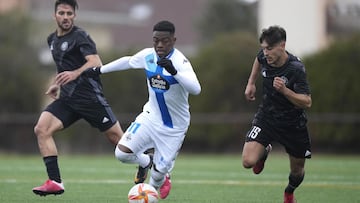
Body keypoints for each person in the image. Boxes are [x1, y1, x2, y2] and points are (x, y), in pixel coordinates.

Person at [88, 20, 201, 199]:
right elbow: (128, 61)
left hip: (174, 128)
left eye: (165, 40)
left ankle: (158, 181)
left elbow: (196, 89)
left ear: (174, 40)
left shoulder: (180, 62)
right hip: (150, 118)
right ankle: (146, 161)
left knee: (158, 175)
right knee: (121, 153)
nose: (160, 45)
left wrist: (175, 73)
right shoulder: (148, 56)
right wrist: (100, 70)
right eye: (156, 40)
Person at [32, 0, 124, 196]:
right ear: (54, 15)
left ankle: (147, 163)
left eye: (69, 14)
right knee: (42, 128)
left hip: (89, 98)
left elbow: (95, 61)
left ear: (74, 16)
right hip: (67, 99)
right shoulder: (52, 40)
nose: (65, 17)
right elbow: (62, 66)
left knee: (120, 142)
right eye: (62, 13)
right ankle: (55, 181)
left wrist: (75, 73)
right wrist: (58, 84)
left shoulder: (80, 36)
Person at [242, 25, 312, 203]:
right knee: (248, 162)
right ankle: (264, 151)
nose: (265, 53)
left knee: (297, 171)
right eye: (263, 48)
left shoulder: (296, 68)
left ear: (282, 45)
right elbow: (258, 60)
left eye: (269, 48)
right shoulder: (264, 57)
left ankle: (289, 192)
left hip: (293, 124)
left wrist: (285, 91)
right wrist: (251, 83)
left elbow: (307, 101)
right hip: (267, 117)